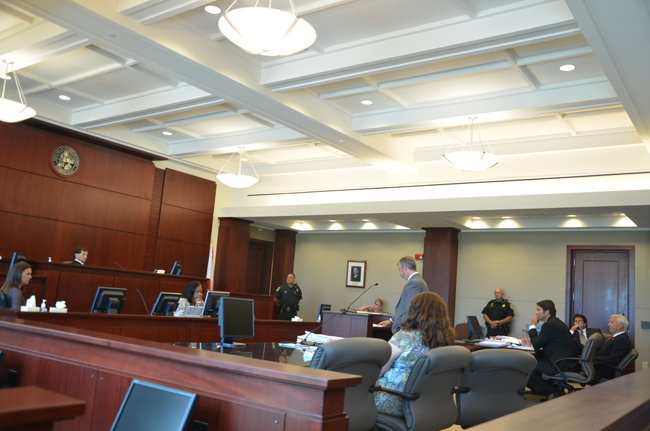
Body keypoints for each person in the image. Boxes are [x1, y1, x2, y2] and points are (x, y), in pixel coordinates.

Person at [374, 292, 455, 417]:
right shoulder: (446, 341)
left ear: (414, 312)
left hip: (393, 399)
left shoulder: (404, 337)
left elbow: (378, 370)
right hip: (426, 403)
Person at [521, 299, 578, 401]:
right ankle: (554, 391)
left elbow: (537, 345)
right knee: (533, 363)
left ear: (547, 312)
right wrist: (532, 342)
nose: (535, 312)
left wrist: (532, 325)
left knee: (527, 366)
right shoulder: (555, 323)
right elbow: (542, 342)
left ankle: (553, 391)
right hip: (566, 360)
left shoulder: (549, 325)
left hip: (560, 363)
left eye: (538, 309)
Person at [377, 256, 428, 333]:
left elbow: (410, 310)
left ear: (405, 268)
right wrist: (391, 320)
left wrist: (402, 332)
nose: (400, 274)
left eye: (400, 270)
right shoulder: (421, 282)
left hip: (406, 332)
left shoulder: (412, 283)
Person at [592, 314, 632, 381]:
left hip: (601, 369)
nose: (608, 324)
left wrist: (591, 359)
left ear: (620, 325)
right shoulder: (615, 337)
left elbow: (611, 359)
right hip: (595, 364)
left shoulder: (622, 340)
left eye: (612, 322)